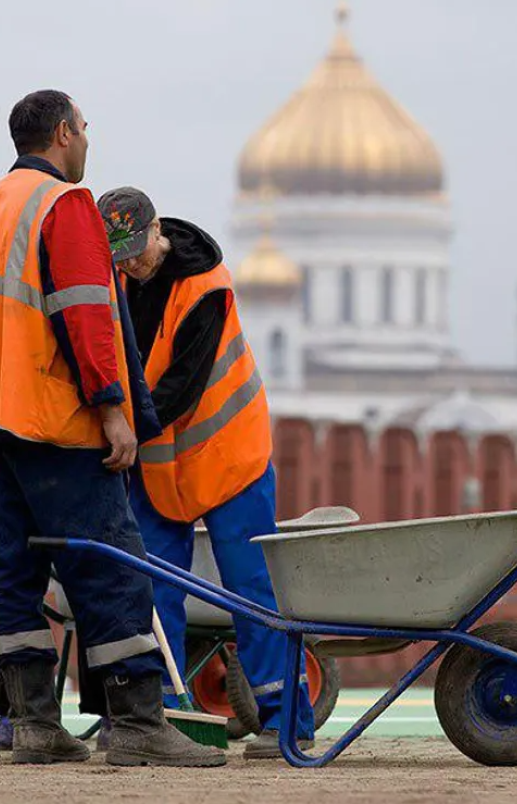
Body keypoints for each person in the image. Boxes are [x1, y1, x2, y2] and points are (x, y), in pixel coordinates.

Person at [0, 90, 223, 768]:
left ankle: (35, 723)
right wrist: (112, 408)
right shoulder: (63, 205)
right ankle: (136, 722)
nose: (88, 143)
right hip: (54, 421)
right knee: (110, 564)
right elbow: (85, 314)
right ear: (65, 133)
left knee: (16, 571)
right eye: (86, 130)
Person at [95, 186, 316, 760]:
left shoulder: (205, 288)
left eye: (134, 250)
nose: (128, 264)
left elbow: (179, 387)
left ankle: (286, 722)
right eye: (115, 255)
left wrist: (119, 429)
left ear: (156, 232)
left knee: (251, 588)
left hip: (229, 454)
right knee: (152, 586)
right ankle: (163, 718)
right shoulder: (118, 281)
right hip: (162, 462)